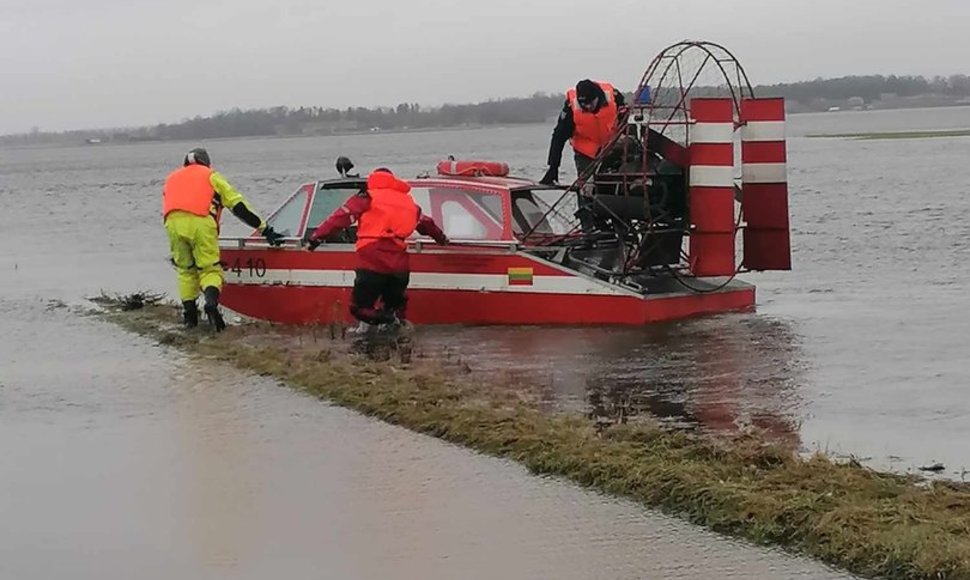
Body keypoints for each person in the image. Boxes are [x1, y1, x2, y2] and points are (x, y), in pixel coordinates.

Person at [305, 167, 448, 328]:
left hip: (372, 260)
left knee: (360, 309)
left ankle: (382, 328)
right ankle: (397, 333)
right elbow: (427, 224)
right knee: (394, 308)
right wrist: (442, 239)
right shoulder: (408, 203)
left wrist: (316, 238)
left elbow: (340, 218)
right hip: (399, 265)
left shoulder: (368, 196)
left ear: (373, 179)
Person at [162, 147, 284, 331]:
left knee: (186, 271)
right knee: (210, 269)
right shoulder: (211, 176)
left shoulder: (171, 178)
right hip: (201, 222)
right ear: (206, 163)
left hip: (172, 224)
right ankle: (211, 304)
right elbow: (238, 206)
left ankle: (190, 318)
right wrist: (264, 229)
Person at [539, 79, 627, 186]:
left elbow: (626, 119)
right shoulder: (571, 108)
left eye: (590, 103)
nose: (588, 107)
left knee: (617, 183)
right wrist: (553, 167)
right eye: (584, 104)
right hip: (586, 154)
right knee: (587, 187)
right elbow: (558, 137)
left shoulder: (614, 97)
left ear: (597, 97)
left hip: (613, 149)